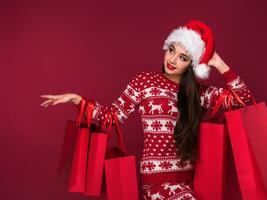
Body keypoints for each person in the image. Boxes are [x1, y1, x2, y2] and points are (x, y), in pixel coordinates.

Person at [40, 20, 254, 199]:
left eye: (183, 57)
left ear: (192, 64)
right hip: (156, 183)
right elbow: (112, 116)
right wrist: (77, 100)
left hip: (189, 180)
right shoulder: (144, 81)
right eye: (172, 50)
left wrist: (218, 62)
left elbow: (243, 100)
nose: (172, 59)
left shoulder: (198, 93)